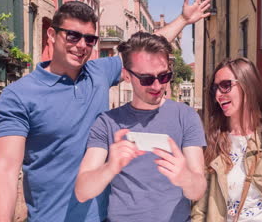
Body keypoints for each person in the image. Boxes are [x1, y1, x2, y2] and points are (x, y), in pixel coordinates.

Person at [0, 0, 211, 222]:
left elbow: (143, 53)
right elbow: (4, 171)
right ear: (52, 35)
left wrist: (183, 19)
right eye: (73, 36)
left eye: (90, 39)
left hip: (103, 215)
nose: (81, 45)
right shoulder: (19, 95)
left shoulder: (98, 73)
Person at [74, 32, 206, 222]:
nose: (157, 85)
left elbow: (198, 189)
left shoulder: (186, 116)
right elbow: (82, 191)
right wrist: (111, 167)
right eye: (146, 79)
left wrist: (185, 177)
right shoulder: (107, 122)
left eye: (164, 76)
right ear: (127, 75)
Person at [191, 57, 262, 222]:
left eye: (226, 85)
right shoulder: (213, 142)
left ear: (248, 85)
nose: (219, 95)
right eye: (215, 89)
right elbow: (200, 208)